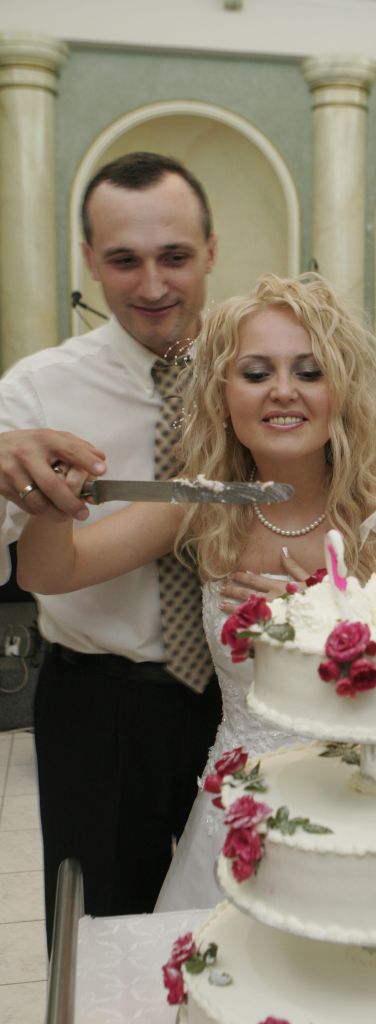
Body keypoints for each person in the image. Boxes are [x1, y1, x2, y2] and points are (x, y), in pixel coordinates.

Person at [17, 271, 376, 910]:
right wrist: (51, 504)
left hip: (372, 810)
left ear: (341, 390)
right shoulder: (204, 506)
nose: (283, 391)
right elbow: (49, 574)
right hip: (241, 814)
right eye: (255, 373)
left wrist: (333, 624)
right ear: (223, 396)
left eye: (309, 371)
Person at [0, 152, 222, 946]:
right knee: (102, 939)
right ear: (90, 260)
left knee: (243, 939)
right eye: (125, 260)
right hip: (100, 708)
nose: (152, 285)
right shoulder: (35, 393)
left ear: (211, 251)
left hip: (243, 701)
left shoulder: (258, 372)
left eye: (175, 257)